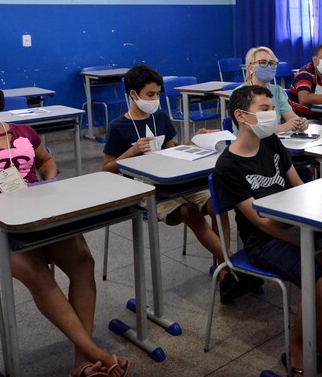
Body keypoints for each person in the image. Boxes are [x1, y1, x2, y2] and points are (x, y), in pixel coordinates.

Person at [0, 71, 130, 377]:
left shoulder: (23, 131)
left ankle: (83, 361)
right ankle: (97, 354)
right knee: (36, 271)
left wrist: (49, 180)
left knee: (82, 260)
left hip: (39, 218)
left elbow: (46, 161)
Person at [213, 85, 322, 375]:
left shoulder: (271, 143)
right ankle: (298, 346)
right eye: (264, 110)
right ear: (241, 116)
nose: (272, 114)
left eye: (272, 108)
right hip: (265, 241)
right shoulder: (227, 166)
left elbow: (301, 189)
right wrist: (312, 249)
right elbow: (261, 222)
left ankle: (318, 333)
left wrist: (321, 236)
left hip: (301, 227)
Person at [102, 64, 259, 303]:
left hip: (175, 180)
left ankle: (224, 273)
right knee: (189, 214)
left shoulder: (161, 117)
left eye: (157, 94)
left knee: (218, 203)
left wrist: (196, 142)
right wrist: (131, 152)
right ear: (134, 94)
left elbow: (173, 152)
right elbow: (107, 168)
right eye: (150, 95)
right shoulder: (118, 127)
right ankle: (232, 266)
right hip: (145, 189)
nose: (155, 100)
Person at [233, 46, 308, 134]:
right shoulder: (240, 93)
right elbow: (246, 131)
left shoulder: (277, 91)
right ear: (251, 68)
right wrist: (283, 127)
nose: (269, 66)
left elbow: (291, 117)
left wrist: (300, 123)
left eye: (272, 63)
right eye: (263, 62)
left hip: (275, 139)